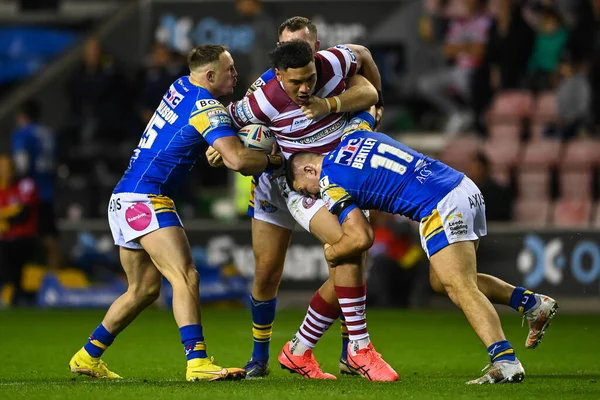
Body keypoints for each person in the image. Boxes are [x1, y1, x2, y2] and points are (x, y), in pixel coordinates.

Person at [286, 109, 559, 384]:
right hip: (464, 189)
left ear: (310, 170)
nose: (314, 195)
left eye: (307, 190)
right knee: (443, 281)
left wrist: (332, 251)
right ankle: (532, 304)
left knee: (459, 285)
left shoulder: (329, 181)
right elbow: (371, 110)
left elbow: (360, 238)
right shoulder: (352, 135)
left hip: (439, 205)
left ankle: (505, 361)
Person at [68, 44, 284, 382]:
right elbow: (239, 161)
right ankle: (197, 363)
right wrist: (273, 159)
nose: (235, 74)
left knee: (143, 290)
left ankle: (87, 355)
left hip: (124, 197)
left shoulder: (180, 86)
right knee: (186, 277)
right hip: (146, 199)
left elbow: (197, 133)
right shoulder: (207, 107)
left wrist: (220, 146)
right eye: (229, 69)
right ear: (210, 76)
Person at [224, 39, 397, 382]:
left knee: (352, 255)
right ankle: (358, 348)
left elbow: (363, 55)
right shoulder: (261, 100)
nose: (305, 88)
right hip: (301, 184)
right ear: (277, 74)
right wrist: (219, 147)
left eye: (310, 79)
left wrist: (374, 101)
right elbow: (225, 119)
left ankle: (301, 349)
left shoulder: (333, 62)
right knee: (350, 248)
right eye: (295, 82)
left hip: (344, 178)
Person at [11, 101, 62, 271]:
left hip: (30, 192)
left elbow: (22, 164)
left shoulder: (23, 134)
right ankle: (54, 279)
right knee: (50, 237)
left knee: (21, 236)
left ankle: (17, 280)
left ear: (22, 116)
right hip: (48, 189)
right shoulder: (48, 133)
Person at [0, 154, 40, 307]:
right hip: (5, 239)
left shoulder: (25, 185)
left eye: (7, 167)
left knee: (7, 253)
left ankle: (14, 292)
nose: (4, 171)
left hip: (23, 239)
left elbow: (22, 213)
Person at [467, 152, 513, 221]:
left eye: (477, 169)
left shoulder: (498, 192)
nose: (473, 172)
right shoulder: (465, 192)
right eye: (471, 169)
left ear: (485, 168)